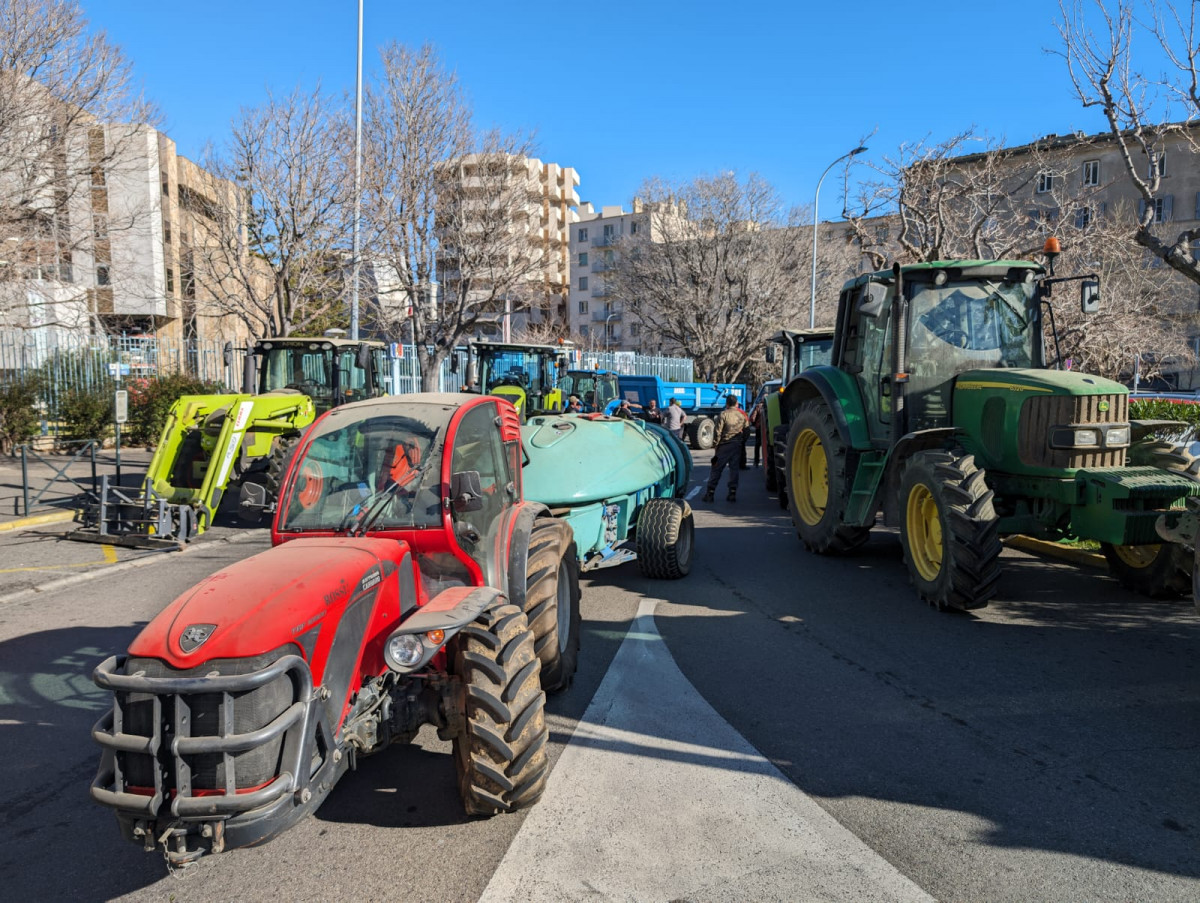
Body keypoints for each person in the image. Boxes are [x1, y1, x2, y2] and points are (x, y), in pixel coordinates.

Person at [704, 395, 750, 503]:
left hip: (724, 446)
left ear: (727, 404)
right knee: (734, 469)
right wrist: (742, 441)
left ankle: (710, 493)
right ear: (736, 404)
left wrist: (715, 444)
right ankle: (732, 493)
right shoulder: (742, 415)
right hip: (736, 446)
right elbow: (747, 431)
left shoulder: (723, 414)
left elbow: (717, 432)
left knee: (716, 468)